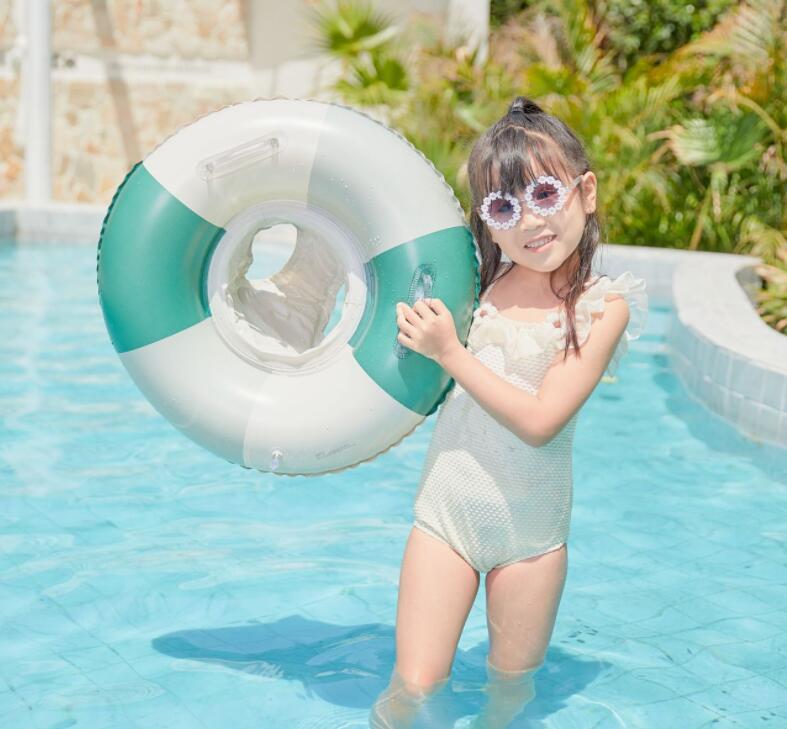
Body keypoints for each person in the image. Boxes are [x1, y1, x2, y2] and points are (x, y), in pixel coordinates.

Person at [369, 95, 648, 728]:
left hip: (531, 539)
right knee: (412, 688)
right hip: (446, 516)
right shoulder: (479, 287)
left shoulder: (601, 309)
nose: (530, 221)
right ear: (486, 224)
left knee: (507, 698)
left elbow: (542, 422)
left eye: (545, 194)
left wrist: (451, 353)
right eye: (504, 207)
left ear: (586, 192)